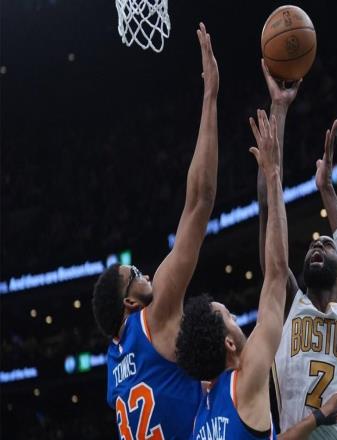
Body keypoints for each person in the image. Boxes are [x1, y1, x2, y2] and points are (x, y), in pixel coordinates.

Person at [176, 109, 337, 440]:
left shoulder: (201, 415)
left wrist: (316, 418)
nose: (237, 319)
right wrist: (273, 175)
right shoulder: (245, 380)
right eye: (229, 316)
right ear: (228, 342)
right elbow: (275, 274)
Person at [91, 23, 219, 439]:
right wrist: (210, 96)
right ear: (130, 302)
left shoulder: (113, 367)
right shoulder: (155, 313)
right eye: (134, 275)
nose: (144, 272)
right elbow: (199, 201)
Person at [258, 61, 337, 439]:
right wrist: (279, 108)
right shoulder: (289, 304)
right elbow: (267, 208)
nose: (317, 245)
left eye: (327, 245)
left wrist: (327, 190)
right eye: (313, 244)